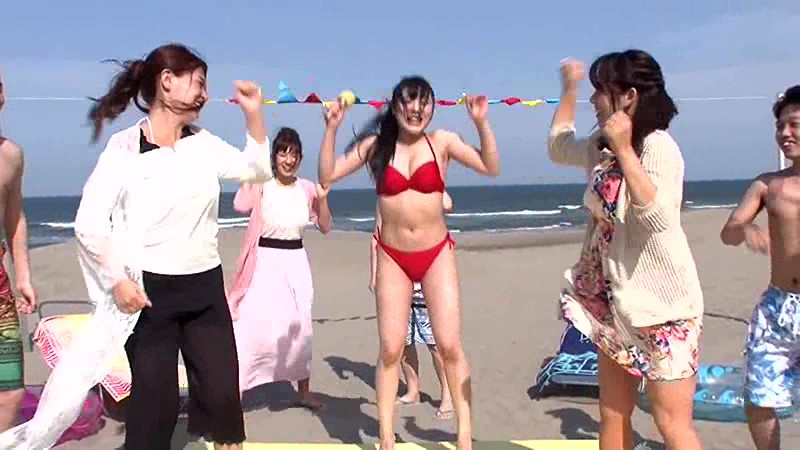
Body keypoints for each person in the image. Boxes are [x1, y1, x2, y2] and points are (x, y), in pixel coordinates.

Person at [75, 43, 270, 450]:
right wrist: (116, 281)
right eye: (198, 83)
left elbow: (255, 169)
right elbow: (90, 223)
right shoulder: (125, 147)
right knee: (156, 407)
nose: (204, 94)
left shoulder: (203, 142)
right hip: (148, 295)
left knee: (224, 403)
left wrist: (253, 114)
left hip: (204, 289)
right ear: (167, 82)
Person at [319, 75, 499, 450]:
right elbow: (327, 175)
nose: (416, 109)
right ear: (395, 106)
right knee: (390, 349)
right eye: (408, 101)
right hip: (392, 256)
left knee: (449, 345)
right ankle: (386, 437)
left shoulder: (442, 142)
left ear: (432, 107)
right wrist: (332, 129)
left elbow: (490, 166)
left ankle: (464, 436)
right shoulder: (376, 146)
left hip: (436, 254)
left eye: (423, 102)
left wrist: (481, 123)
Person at [549, 51, 703, 450]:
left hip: (663, 309)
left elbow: (658, 218)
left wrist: (625, 150)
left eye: (600, 91)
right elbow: (558, 147)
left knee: (672, 424)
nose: (594, 100)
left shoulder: (658, 147)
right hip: (614, 305)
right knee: (613, 414)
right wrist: (569, 90)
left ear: (629, 97)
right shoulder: (600, 148)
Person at [228, 126, 332, 411]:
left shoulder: (307, 188)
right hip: (263, 261)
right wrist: (253, 172)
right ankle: (237, 393)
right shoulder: (262, 184)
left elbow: (325, 226)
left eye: (294, 154)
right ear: (274, 156)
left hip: (295, 261)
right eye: (283, 153)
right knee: (251, 326)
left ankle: (303, 392)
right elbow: (239, 204)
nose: (289, 160)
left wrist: (323, 199)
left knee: (301, 326)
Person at [720, 85, 800, 450]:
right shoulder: (767, 185)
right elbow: (729, 232)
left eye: (794, 124)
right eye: (780, 126)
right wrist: (746, 229)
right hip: (777, 308)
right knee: (759, 398)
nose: (785, 133)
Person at [369, 192, 453, 419]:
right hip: (396, 276)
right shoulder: (386, 194)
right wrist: (375, 275)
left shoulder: (428, 189)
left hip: (428, 274)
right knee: (403, 342)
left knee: (435, 343)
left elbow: (447, 204)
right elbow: (377, 236)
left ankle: (447, 395)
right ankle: (413, 390)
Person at [0, 72, 37, 432]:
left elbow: (14, 217)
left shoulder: (11, 155)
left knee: (10, 392)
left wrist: (23, 275)